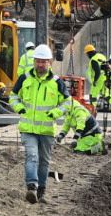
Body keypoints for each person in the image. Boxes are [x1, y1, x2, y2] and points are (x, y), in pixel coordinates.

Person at [8, 44, 67, 203]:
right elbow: (13, 96)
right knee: (32, 156)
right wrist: (19, 107)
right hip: (28, 128)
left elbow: (67, 102)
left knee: (44, 161)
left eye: (44, 61)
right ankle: (31, 187)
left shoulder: (57, 82)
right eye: (38, 61)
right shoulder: (25, 79)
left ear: (50, 62)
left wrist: (56, 112)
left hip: (47, 130)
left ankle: (41, 191)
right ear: (34, 61)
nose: (40, 64)